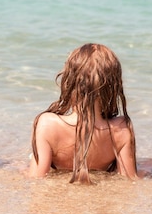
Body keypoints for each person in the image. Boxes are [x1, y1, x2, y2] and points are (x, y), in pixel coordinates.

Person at [29, 43, 138, 183]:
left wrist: (21, 168)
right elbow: (129, 179)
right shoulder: (121, 128)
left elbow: (35, 178)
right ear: (113, 87)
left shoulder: (48, 124)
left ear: (69, 81)